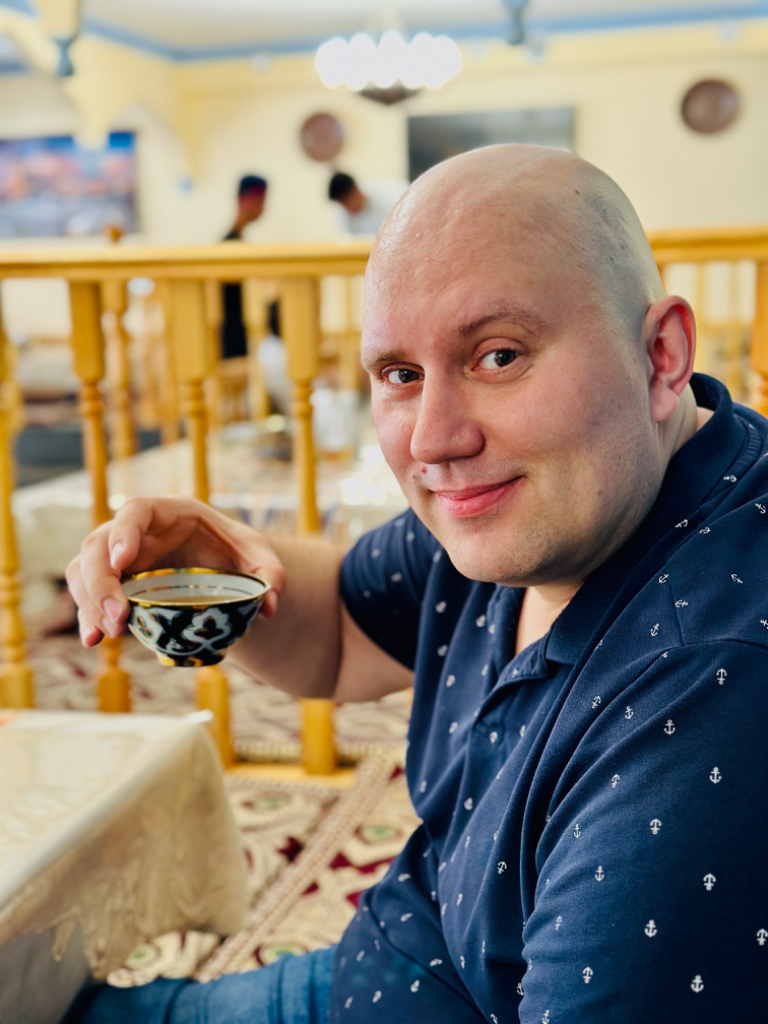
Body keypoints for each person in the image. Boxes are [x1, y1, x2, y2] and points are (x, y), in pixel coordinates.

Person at [65, 145, 768, 1023]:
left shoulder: (709, 689)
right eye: (400, 375)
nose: (434, 439)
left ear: (661, 355)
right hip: (400, 959)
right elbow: (338, 633)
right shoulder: (543, 507)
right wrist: (216, 575)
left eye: (499, 356)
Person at [221, 174, 268, 359]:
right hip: (232, 336)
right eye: (261, 201)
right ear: (247, 200)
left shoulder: (237, 242)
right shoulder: (229, 247)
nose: (263, 208)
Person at [328, 171, 406, 237]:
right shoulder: (343, 217)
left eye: (346, 201)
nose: (346, 208)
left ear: (355, 190)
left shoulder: (390, 196)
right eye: (342, 204)